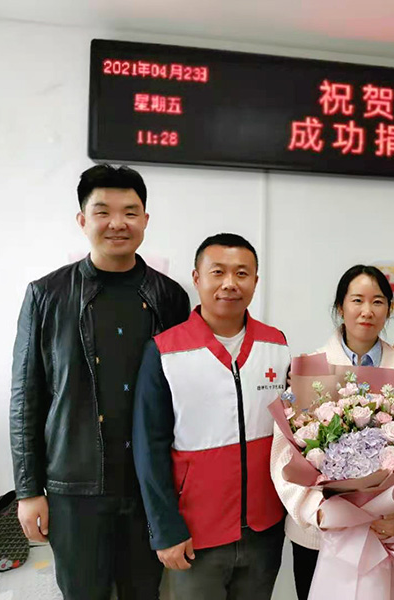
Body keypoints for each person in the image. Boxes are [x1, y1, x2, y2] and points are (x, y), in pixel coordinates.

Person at [10, 164, 190, 600]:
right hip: (75, 488)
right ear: (82, 220)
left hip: (148, 486)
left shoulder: (170, 297)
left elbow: (186, 394)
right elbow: (25, 398)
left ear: (145, 219)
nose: (117, 223)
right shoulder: (46, 295)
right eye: (103, 211)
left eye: (130, 212)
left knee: (144, 593)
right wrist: (28, 491)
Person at [133, 233, 290, 600]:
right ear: (197, 278)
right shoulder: (165, 351)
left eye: (242, 273)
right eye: (218, 272)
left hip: (264, 526)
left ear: (255, 281)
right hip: (195, 533)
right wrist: (165, 529)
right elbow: (148, 448)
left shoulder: (276, 345)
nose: (230, 283)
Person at [270, 265, 394, 600]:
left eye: (377, 301)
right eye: (357, 300)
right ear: (340, 307)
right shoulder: (309, 367)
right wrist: (314, 510)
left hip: (383, 530)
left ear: (388, 309)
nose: (367, 310)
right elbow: (283, 452)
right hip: (319, 535)